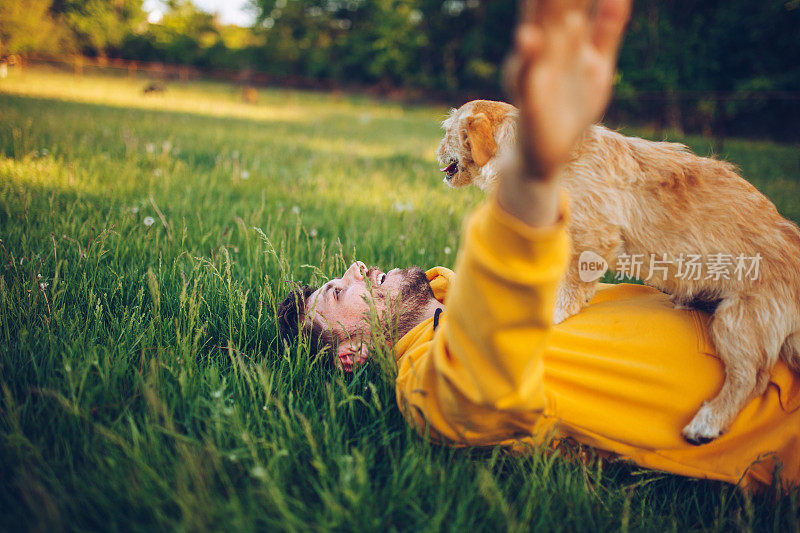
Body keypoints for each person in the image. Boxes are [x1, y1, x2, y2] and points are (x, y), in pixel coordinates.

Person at [277, 0, 800, 490]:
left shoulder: (472, 304)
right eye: (338, 292)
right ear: (353, 356)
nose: (356, 267)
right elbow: (468, 398)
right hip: (781, 413)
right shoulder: (427, 385)